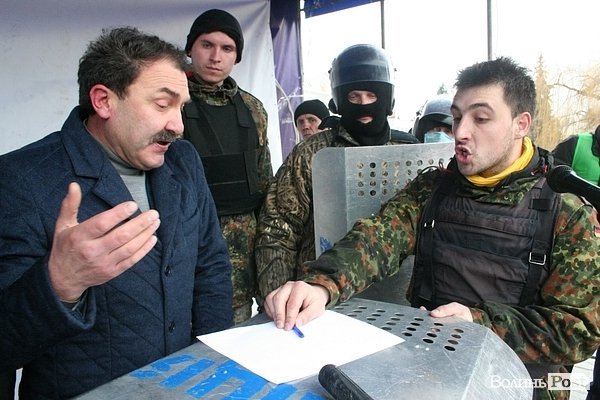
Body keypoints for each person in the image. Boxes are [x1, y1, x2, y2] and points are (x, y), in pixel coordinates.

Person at [263, 57, 600, 400]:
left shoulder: (566, 212)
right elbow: (376, 239)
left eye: (481, 119)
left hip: (523, 384)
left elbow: (580, 331)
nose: (461, 132)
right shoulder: (434, 190)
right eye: (457, 117)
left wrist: (479, 324)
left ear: (520, 124)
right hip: (432, 372)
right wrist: (321, 285)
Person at [0, 27, 233, 399]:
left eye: (181, 107)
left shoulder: (184, 161)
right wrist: (59, 285)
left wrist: (213, 367)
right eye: (162, 104)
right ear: (104, 101)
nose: (177, 125)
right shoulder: (20, 180)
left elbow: (211, 266)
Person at [255, 44, 398, 305]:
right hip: (318, 293)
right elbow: (278, 229)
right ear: (339, 100)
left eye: (371, 95)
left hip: (393, 293)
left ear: (387, 99)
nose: (363, 105)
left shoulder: (405, 151)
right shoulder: (311, 153)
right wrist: (278, 296)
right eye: (354, 96)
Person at [182, 9, 273, 324]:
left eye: (227, 48)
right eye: (207, 45)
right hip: (187, 249)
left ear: (237, 57)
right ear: (191, 48)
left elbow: (265, 184)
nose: (215, 57)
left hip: (243, 257)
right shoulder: (168, 104)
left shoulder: (252, 109)